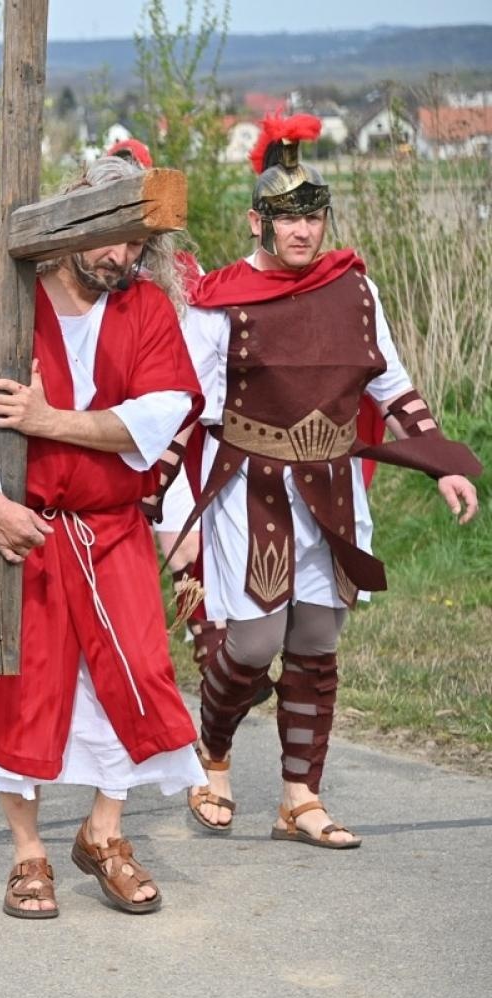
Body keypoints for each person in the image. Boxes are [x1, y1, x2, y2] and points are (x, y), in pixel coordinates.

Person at [150, 114, 482, 846]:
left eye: (313, 217)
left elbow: (393, 390)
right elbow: (186, 410)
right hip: (252, 487)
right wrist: (164, 509)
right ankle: (213, 751)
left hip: (334, 483)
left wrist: (443, 463)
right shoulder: (221, 302)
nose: (303, 232)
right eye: (287, 219)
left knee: (319, 639)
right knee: (253, 641)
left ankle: (300, 796)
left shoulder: (354, 290)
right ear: (257, 221)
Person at [0, 154, 207, 918]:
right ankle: (28, 850)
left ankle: (105, 833)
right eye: (110, 238)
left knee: (135, 677)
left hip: (108, 531)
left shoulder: (145, 309)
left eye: (136, 245)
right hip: (14, 530)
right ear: (73, 223)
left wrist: (48, 421)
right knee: (20, 688)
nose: (121, 258)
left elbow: (152, 419)